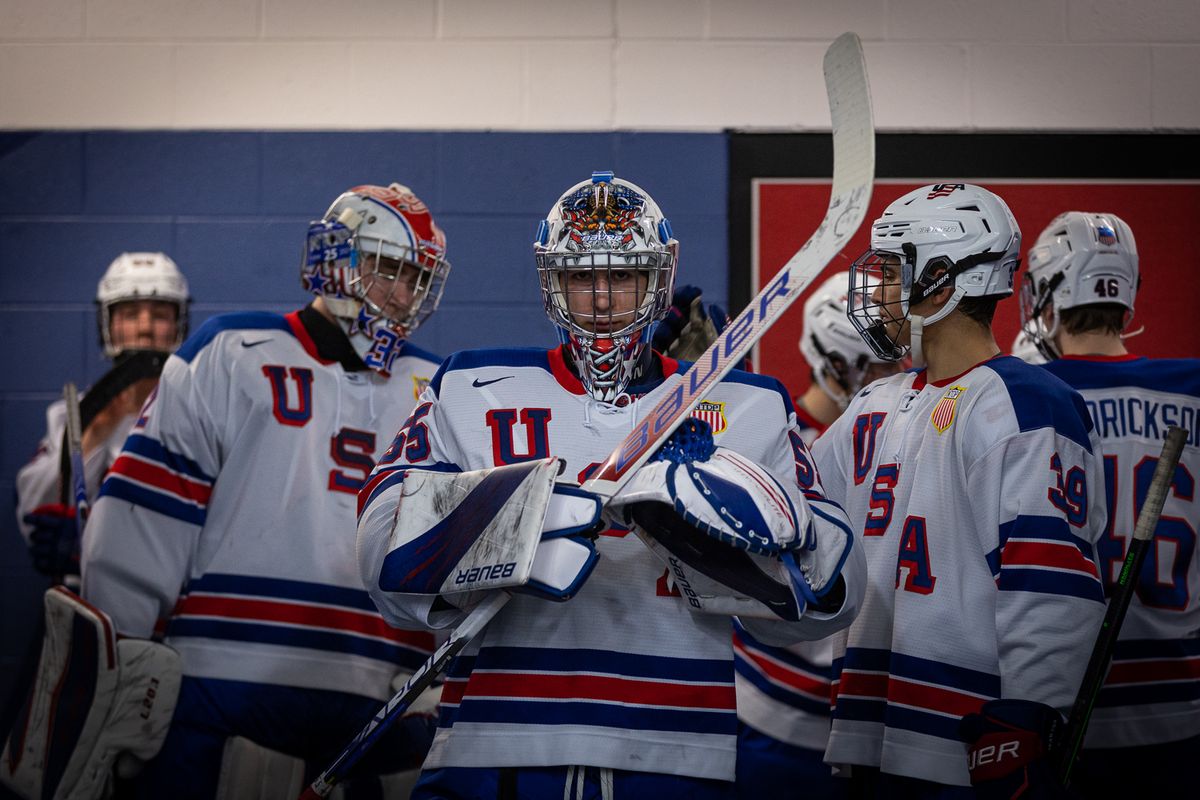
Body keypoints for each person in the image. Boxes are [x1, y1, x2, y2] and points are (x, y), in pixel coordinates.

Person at [356, 171, 866, 800]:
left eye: (622, 276)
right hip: (494, 744)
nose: (600, 298)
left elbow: (832, 593)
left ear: (657, 281)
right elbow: (379, 543)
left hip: (678, 750)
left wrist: (728, 540)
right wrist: (519, 520)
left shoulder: (746, 404)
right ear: (551, 282)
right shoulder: (469, 386)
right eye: (579, 276)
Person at [74, 184, 451, 799]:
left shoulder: (438, 389)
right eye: (389, 271)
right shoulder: (228, 352)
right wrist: (120, 654)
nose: (404, 296)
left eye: (416, 278)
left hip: (378, 696)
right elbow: (141, 519)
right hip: (218, 683)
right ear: (338, 259)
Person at [811, 183, 1108, 796]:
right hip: (873, 725)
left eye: (892, 272)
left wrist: (1030, 713)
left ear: (941, 282)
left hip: (966, 739)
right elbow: (794, 505)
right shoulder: (875, 402)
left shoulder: (1025, 404)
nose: (876, 291)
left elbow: (1048, 581)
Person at [1020, 211, 1200, 795]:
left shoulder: (1028, 395)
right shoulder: (1192, 388)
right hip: (1184, 697)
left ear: (1051, 292)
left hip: (1065, 696)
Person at [733, 272, 903, 799]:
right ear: (833, 360)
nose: (894, 375)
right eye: (877, 364)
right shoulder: (769, 436)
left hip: (863, 715)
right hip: (772, 706)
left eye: (896, 360)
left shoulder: (907, 435)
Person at [14, 252, 189, 577]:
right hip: (86, 598)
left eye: (160, 315)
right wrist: (101, 420)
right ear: (108, 323)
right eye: (130, 314)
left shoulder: (201, 413)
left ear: (178, 324)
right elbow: (35, 515)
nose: (145, 328)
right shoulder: (68, 415)